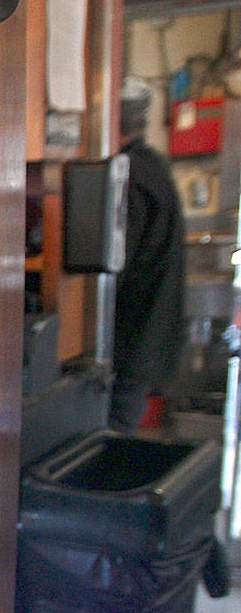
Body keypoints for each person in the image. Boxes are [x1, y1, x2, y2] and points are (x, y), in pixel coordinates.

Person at [110, 76, 186, 431]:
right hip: (142, 346)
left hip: (128, 347)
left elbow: (116, 264)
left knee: (102, 450)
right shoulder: (152, 167)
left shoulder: (129, 175)